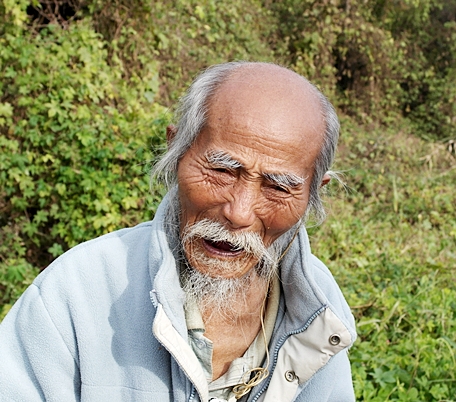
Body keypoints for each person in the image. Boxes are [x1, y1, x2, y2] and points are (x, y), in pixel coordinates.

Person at [0, 61, 356, 401]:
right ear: (176, 149)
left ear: (313, 193)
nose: (239, 212)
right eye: (222, 170)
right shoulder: (75, 293)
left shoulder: (319, 307)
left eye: (278, 187)